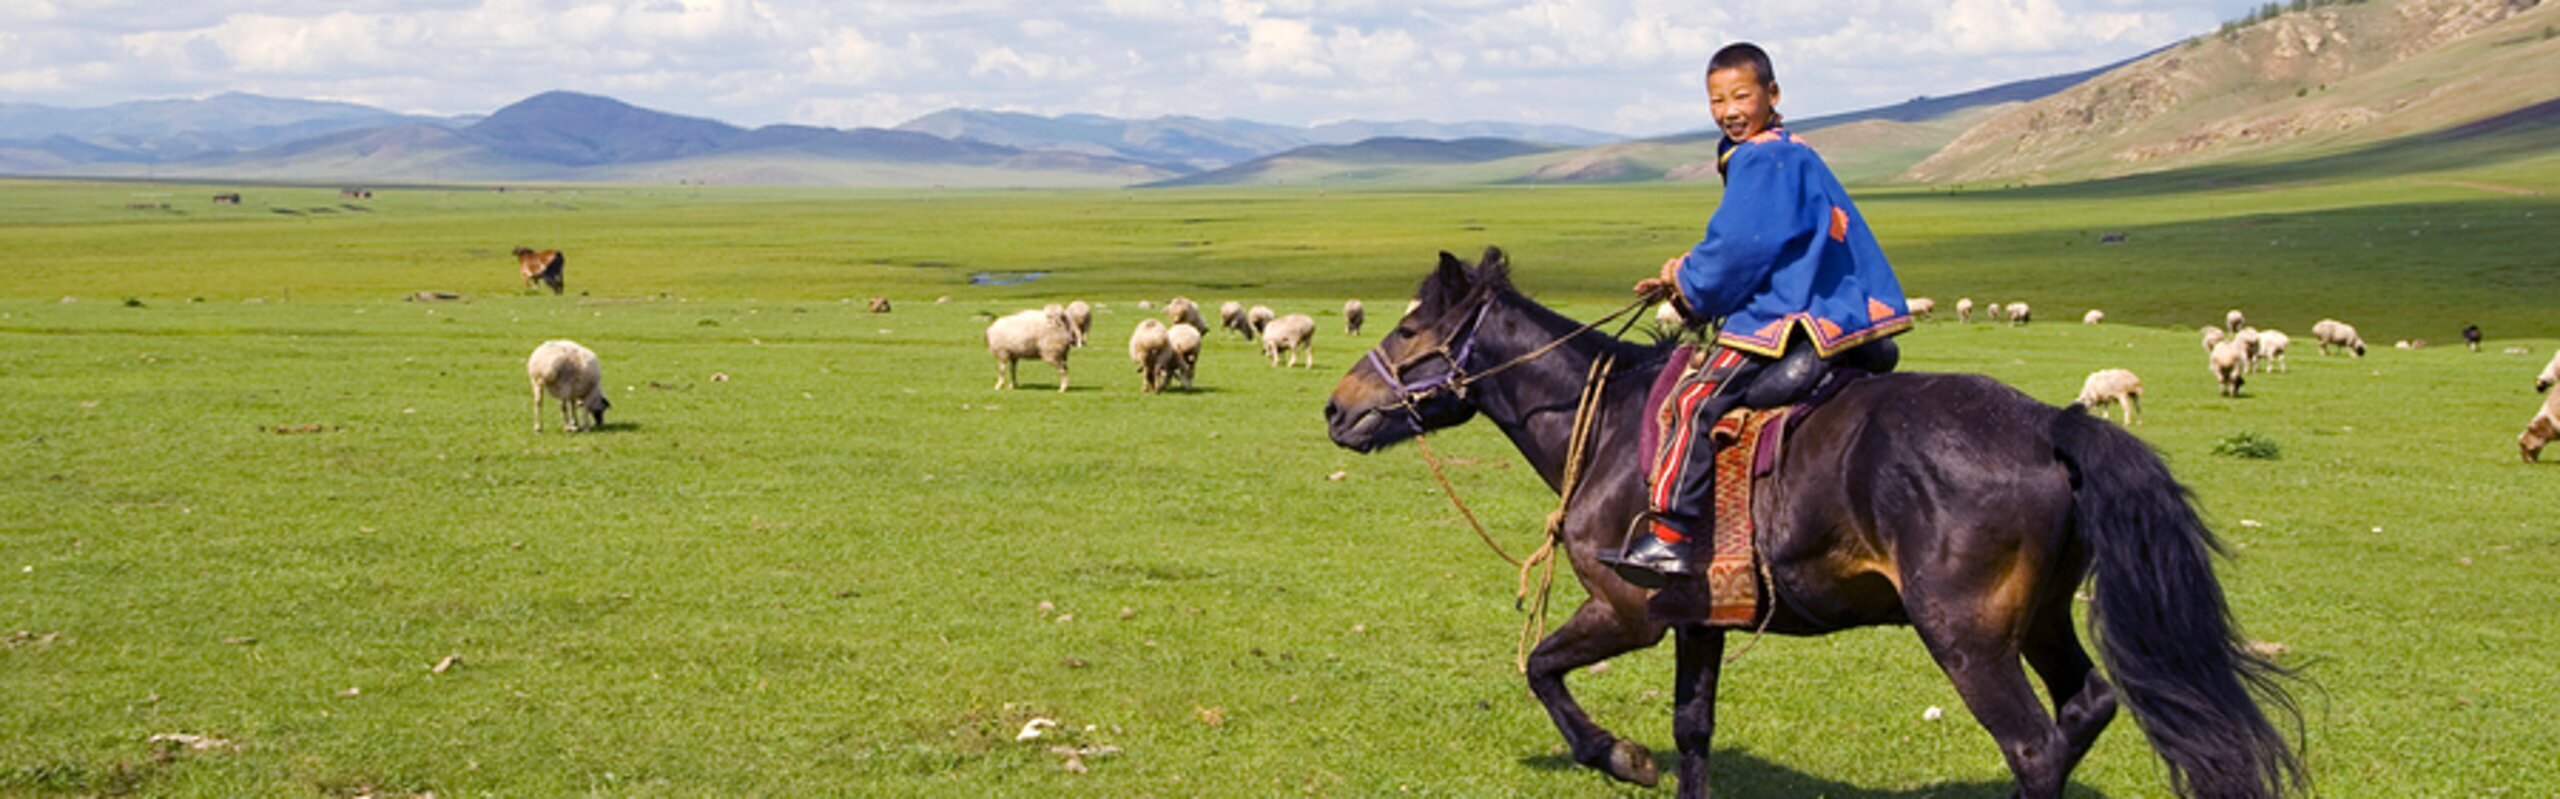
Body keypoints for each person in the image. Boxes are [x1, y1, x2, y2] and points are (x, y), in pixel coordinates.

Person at [1609, 42, 1913, 588]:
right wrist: (1682, 275)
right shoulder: (1787, 150)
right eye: (1716, 100)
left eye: (1741, 95)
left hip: (1789, 314)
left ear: (1772, 95)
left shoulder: (1761, 156)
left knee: (1692, 399)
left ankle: (1672, 536)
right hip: (1834, 308)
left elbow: (1741, 248)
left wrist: (1688, 284)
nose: (1728, 110)